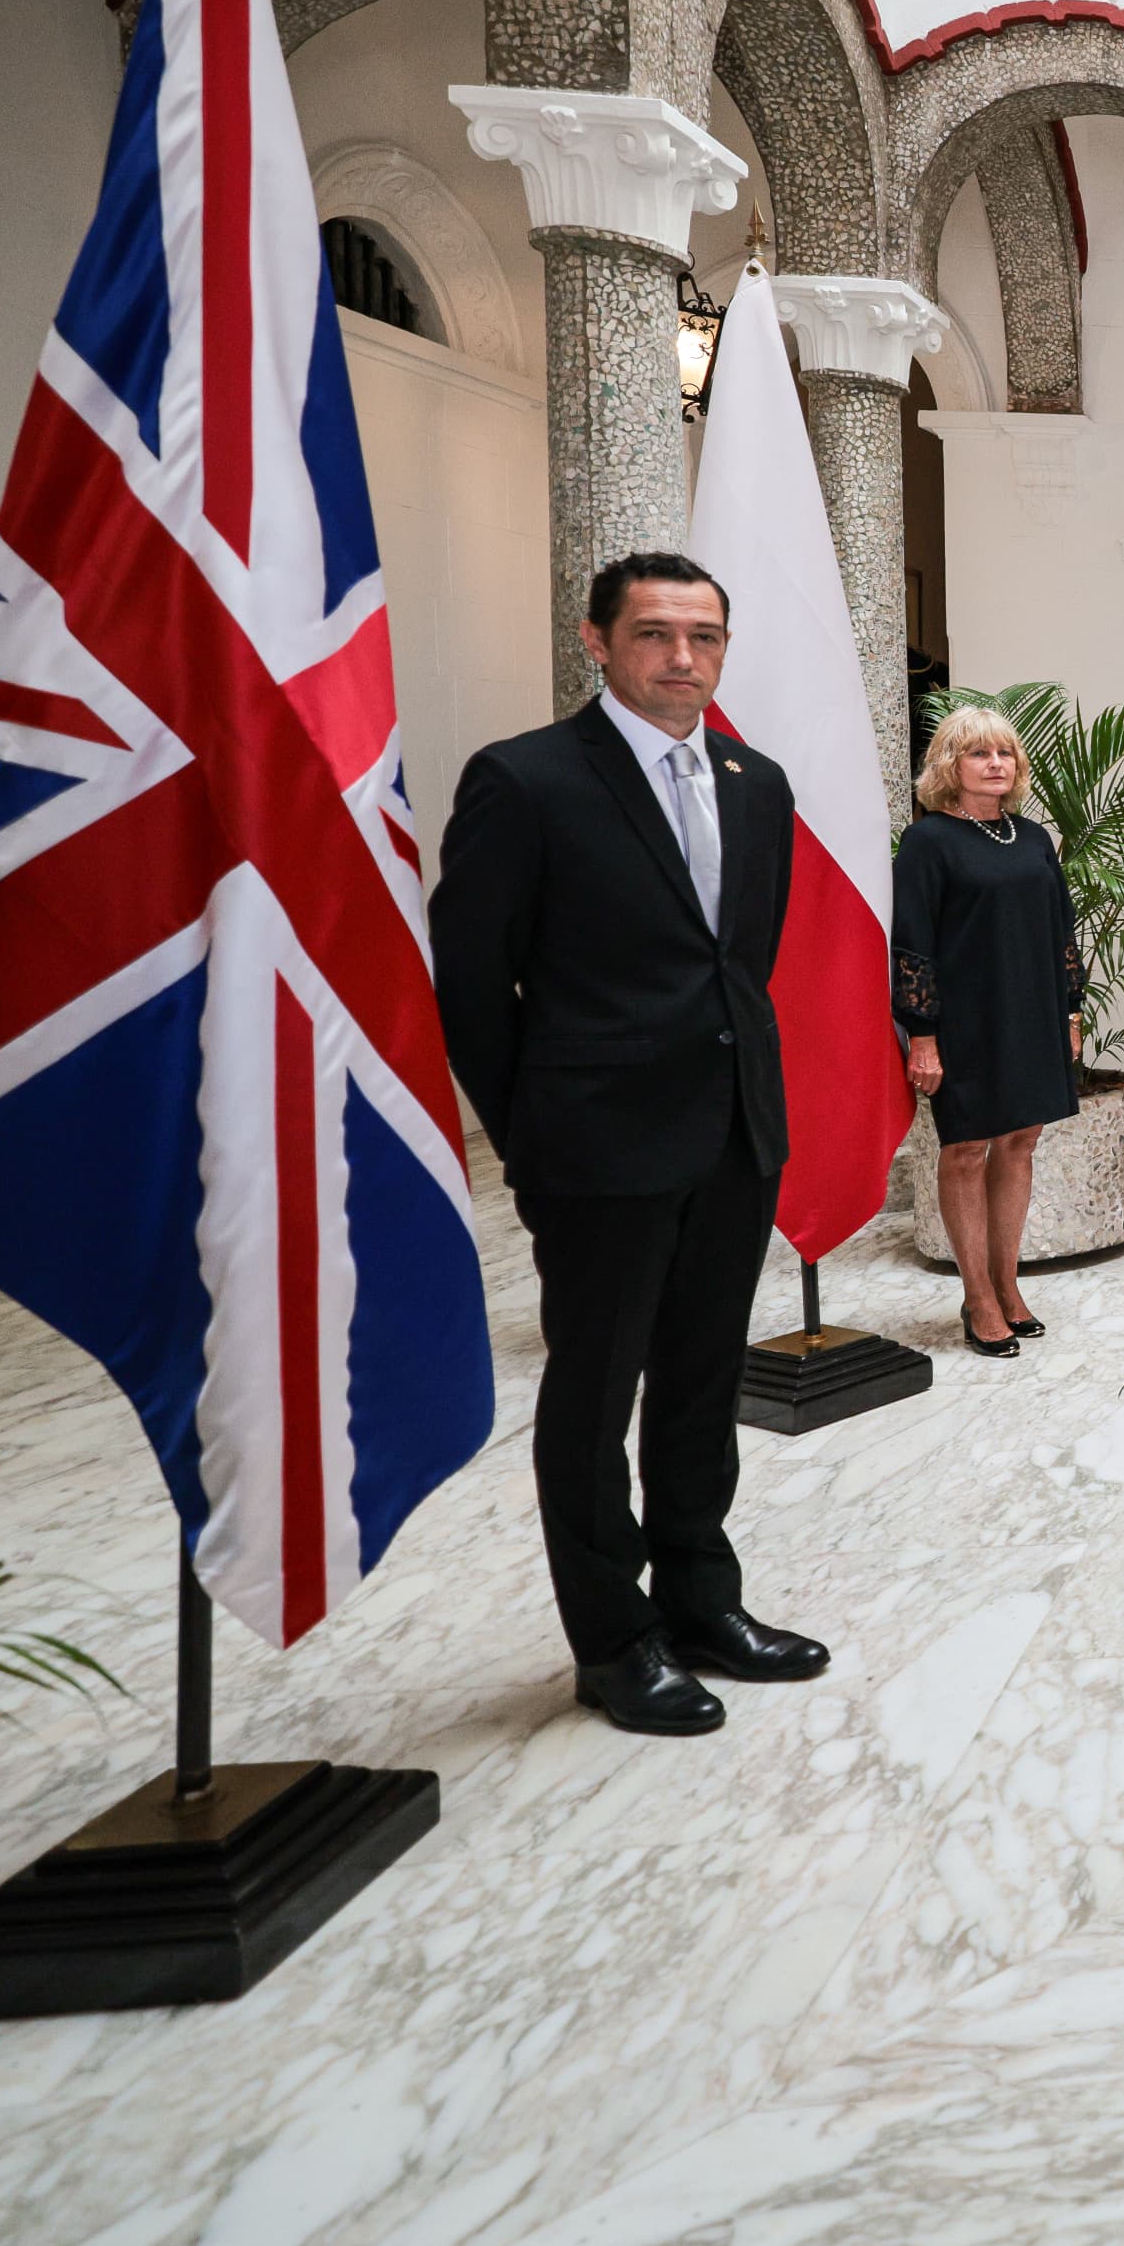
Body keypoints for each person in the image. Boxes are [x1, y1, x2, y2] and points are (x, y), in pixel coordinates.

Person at [431, 552, 830, 1738]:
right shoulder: (527, 779)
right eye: (655, 632)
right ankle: (614, 1640)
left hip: (733, 1134)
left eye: (704, 636)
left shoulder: (756, 783)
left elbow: (739, 965)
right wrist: (533, 1132)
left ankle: (703, 1603)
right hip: (596, 1148)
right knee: (595, 1393)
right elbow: (470, 982)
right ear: (596, 640)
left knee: (703, 1380)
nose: (682, 657)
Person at [896, 705, 1086, 1360]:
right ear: (951, 766)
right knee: (967, 1148)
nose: (996, 764)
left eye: (1005, 753)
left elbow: (1062, 930)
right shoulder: (927, 841)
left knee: (1022, 1141)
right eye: (980, 753)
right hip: (964, 1021)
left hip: (1032, 1011)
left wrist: (1071, 1012)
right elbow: (912, 942)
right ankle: (977, 1298)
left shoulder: (1033, 838)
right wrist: (922, 1035)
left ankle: (1007, 1285)